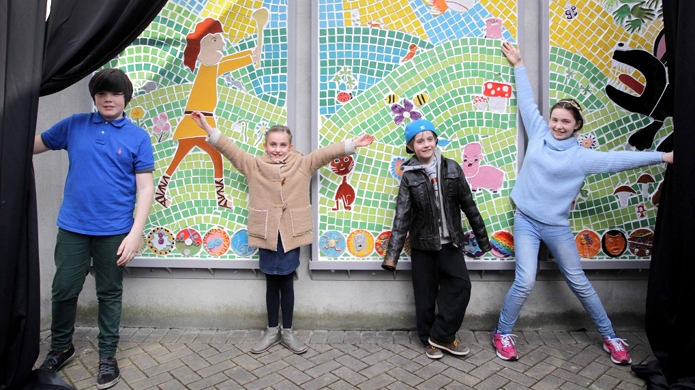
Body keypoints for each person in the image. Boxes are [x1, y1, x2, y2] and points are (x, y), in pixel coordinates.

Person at [492, 42, 674, 365]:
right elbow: (526, 102)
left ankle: (611, 337)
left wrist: (663, 156)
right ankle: (502, 332)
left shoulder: (582, 157)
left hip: (557, 225)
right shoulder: (538, 133)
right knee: (525, 279)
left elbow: (618, 160)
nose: (558, 125)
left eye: (566, 121)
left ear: (577, 125)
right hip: (526, 221)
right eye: (555, 119)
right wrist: (518, 64)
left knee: (579, 282)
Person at [191, 111, 375, 354]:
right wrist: (206, 126)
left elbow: (326, 153)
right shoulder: (254, 165)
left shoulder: (302, 164)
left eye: (283, 145)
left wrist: (353, 143)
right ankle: (270, 331)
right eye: (273, 144)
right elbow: (230, 149)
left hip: (291, 234)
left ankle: (287, 332)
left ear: (290, 146)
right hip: (266, 232)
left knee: (287, 283)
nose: (278, 149)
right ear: (266, 146)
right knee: (270, 283)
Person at [33, 69, 155, 389]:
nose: (108, 99)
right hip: (73, 226)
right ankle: (61, 347)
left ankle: (107, 356)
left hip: (115, 230)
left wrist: (135, 233)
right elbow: (35, 144)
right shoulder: (74, 125)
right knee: (63, 290)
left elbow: (145, 189)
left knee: (109, 294)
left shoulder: (137, 137)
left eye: (115, 94)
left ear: (126, 98)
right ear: (95, 97)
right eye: (102, 94)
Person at [381, 119, 491, 359]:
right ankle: (428, 340)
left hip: (450, 243)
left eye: (429, 138)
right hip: (422, 245)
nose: (426, 144)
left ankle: (441, 335)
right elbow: (402, 217)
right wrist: (392, 256)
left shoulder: (453, 168)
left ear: (436, 140)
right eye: (419, 141)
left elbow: (469, 205)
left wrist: (483, 240)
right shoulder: (409, 177)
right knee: (425, 295)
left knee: (461, 286)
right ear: (411, 146)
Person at [154, 16, 263, 209]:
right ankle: (219, 197)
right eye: (217, 39)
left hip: (198, 120)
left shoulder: (210, 66)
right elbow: (230, 62)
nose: (222, 42)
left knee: (183, 157)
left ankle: (162, 190)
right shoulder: (209, 67)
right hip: (197, 120)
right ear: (208, 42)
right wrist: (251, 54)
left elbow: (232, 60)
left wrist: (252, 52)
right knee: (212, 156)